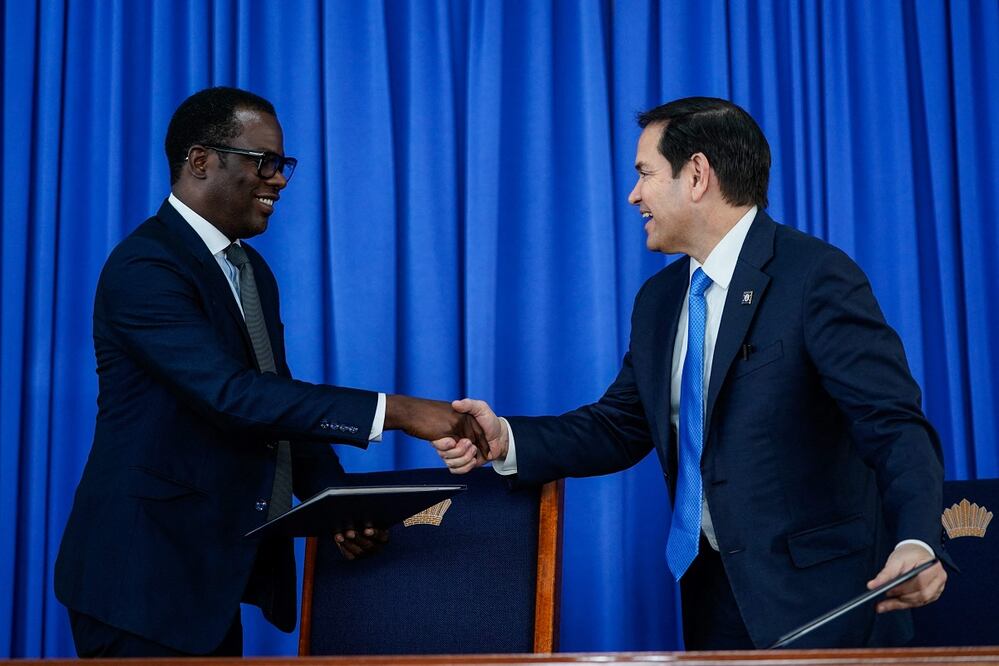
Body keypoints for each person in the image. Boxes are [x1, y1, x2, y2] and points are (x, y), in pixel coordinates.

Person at [432, 97, 949, 649]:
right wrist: (506, 437)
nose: (634, 195)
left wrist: (918, 540)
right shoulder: (659, 300)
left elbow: (892, 423)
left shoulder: (815, 277)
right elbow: (619, 425)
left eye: (645, 173)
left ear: (697, 174)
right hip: (712, 599)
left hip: (828, 602)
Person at [54, 86, 487, 658]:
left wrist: (338, 502)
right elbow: (233, 396)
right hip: (138, 580)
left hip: (207, 581)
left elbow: (274, 401)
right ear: (201, 160)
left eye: (283, 164)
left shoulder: (248, 268)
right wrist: (399, 412)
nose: (279, 179)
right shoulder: (146, 265)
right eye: (265, 161)